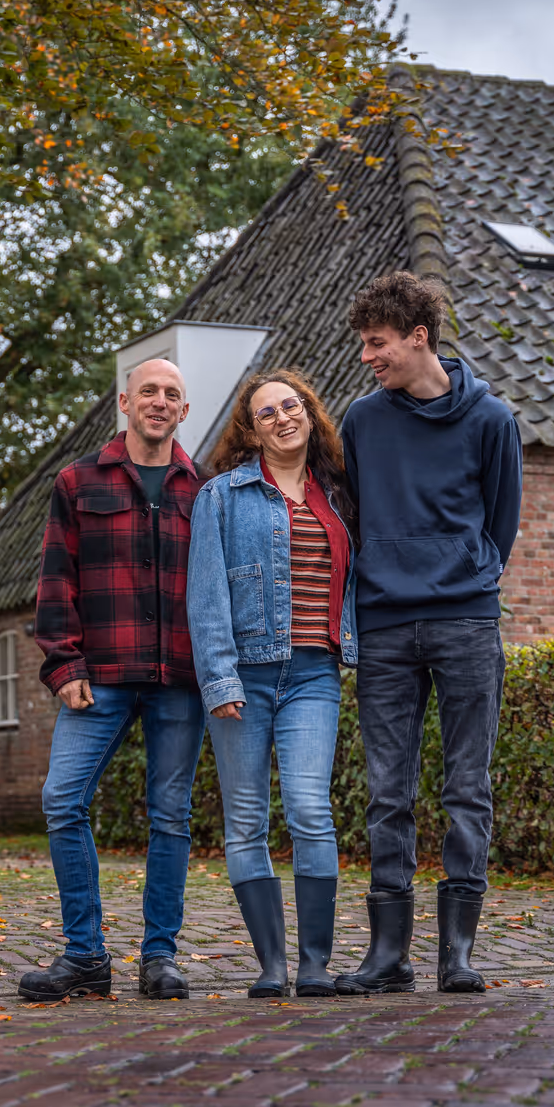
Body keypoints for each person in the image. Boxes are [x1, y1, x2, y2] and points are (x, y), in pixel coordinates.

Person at [334, 271, 522, 996]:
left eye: (377, 344)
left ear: (419, 338)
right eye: (363, 345)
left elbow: (499, 524)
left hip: (466, 623)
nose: (367, 357)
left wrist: (466, 572)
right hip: (383, 624)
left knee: (466, 786)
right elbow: (351, 510)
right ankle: (389, 957)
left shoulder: (491, 421)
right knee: (388, 791)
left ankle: (457, 956)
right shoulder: (362, 420)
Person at [19, 358, 206, 1001]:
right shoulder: (76, 482)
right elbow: (56, 581)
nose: (159, 401)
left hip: (180, 679)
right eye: (148, 391)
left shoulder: (202, 490)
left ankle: (160, 959)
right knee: (62, 800)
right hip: (98, 677)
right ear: (125, 402)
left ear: (184, 412)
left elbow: (213, 593)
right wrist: (63, 663)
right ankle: (85, 956)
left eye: (172, 395)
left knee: (171, 817)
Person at [187, 369, 357, 998]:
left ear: (310, 414)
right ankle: (272, 965)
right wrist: (220, 679)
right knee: (248, 822)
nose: (283, 417)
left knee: (312, 812)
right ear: (251, 431)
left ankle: (313, 962)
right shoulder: (222, 497)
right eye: (267, 413)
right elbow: (205, 598)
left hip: (315, 672)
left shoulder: (339, 496)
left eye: (293, 406)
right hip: (245, 677)